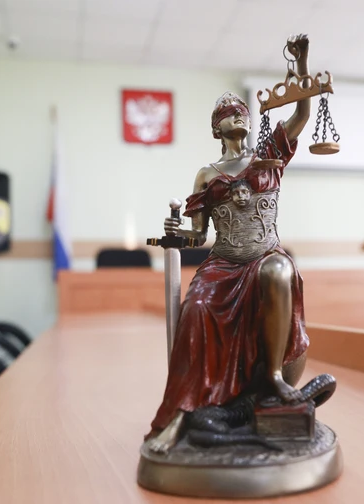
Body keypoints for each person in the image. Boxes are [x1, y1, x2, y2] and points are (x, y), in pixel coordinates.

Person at [146, 35, 313, 454]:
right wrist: (174, 231)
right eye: (228, 113)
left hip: (264, 254)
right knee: (196, 307)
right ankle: (183, 411)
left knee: (280, 271)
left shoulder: (268, 155)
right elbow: (199, 235)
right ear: (216, 128)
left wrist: (301, 64)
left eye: (241, 112)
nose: (238, 115)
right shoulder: (206, 175)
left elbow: (302, 113)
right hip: (223, 261)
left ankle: (274, 377)